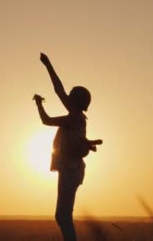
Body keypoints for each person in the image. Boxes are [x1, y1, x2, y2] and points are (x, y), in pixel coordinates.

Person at [33, 53, 102, 241]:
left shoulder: (74, 118)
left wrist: (39, 104)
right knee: (62, 216)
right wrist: (48, 65)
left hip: (71, 169)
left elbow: (46, 121)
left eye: (71, 96)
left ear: (76, 101)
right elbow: (58, 89)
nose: (67, 96)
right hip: (72, 168)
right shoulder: (77, 116)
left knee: (63, 217)